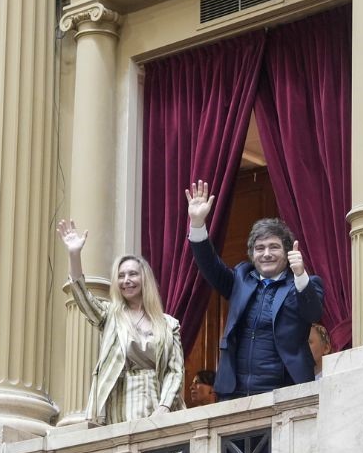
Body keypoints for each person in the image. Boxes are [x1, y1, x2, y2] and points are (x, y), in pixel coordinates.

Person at [185, 180, 324, 398]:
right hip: (235, 393)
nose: (266, 253)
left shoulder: (304, 283)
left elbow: (313, 313)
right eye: (260, 248)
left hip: (285, 390)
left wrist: (300, 276)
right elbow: (210, 266)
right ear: (252, 254)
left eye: (274, 247)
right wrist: (197, 224)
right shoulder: (242, 278)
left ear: (287, 252)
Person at [57, 219, 185, 424]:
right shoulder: (110, 315)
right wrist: (74, 254)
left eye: (133, 274)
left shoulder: (170, 324)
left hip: (157, 403)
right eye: (121, 275)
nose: (126, 280)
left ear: (145, 279)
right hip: (118, 405)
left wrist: (164, 407)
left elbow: (175, 370)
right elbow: (83, 299)